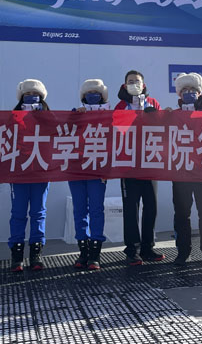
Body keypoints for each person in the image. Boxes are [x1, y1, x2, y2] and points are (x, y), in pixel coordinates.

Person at [114, 70, 165, 266]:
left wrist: (157, 117)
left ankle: (147, 247)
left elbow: (163, 128)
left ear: (143, 85)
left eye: (137, 81)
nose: (134, 84)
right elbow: (117, 129)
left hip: (150, 163)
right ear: (125, 85)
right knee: (131, 209)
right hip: (128, 165)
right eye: (130, 81)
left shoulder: (152, 102)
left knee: (151, 206)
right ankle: (132, 250)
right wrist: (131, 115)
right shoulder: (121, 105)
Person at [170, 72, 202, 266]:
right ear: (179, 94)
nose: (189, 93)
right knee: (182, 214)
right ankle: (183, 252)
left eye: (192, 90)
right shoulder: (173, 115)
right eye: (185, 90)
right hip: (180, 171)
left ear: (199, 93)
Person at [8, 79, 50, 272]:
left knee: (38, 213)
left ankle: (36, 252)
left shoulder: (48, 115)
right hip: (19, 173)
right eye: (27, 94)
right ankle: (17, 254)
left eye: (35, 94)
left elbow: (58, 134)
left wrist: (44, 118)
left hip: (41, 171)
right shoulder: (13, 115)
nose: (31, 97)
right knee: (18, 213)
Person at [69, 79, 110, 271]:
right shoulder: (75, 113)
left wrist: (108, 169)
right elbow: (63, 133)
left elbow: (114, 140)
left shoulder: (108, 115)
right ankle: (83, 251)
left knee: (96, 209)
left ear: (102, 96)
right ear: (83, 96)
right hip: (76, 169)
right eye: (88, 93)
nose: (92, 96)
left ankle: (95, 253)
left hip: (97, 169)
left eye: (96, 93)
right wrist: (74, 117)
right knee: (79, 210)